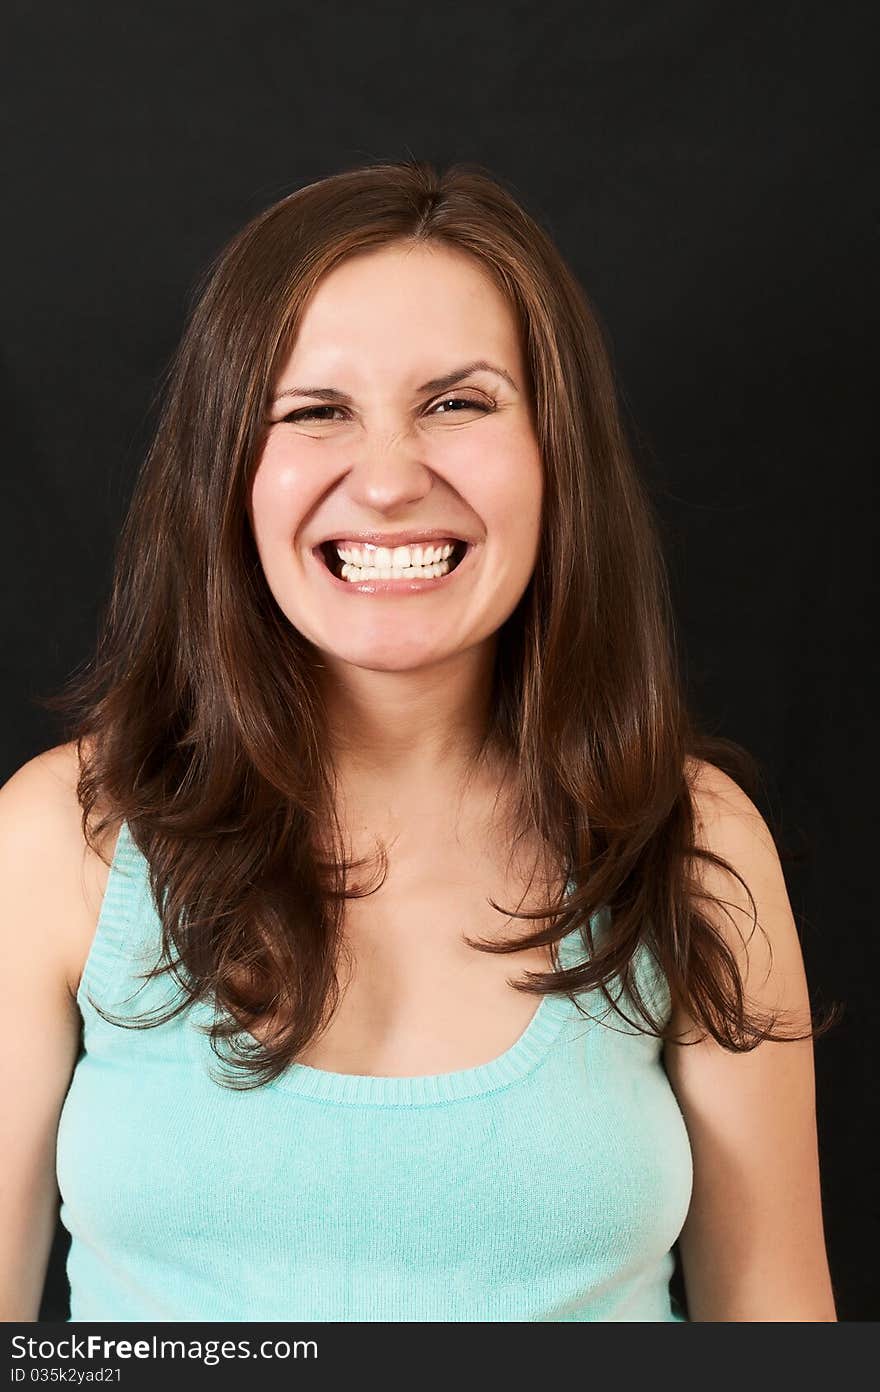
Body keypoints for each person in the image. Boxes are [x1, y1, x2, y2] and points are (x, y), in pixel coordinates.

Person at [0, 159, 838, 1323]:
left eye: (459, 402)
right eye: (314, 412)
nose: (388, 480)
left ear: (557, 456)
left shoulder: (692, 844)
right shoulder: (59, 840)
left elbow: (778, 1328)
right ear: (226, 473)